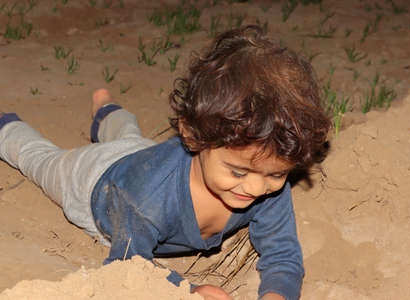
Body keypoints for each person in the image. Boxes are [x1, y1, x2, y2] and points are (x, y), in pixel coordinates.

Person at [0, 25, 330, 300]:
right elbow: (127, 265)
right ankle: (7, 126)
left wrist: (277, 295)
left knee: (130, 140)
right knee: (41, 160)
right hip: (93, 179)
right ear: (193, 137)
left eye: (276, 173)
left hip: (141, 156)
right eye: (238, 171)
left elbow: (283, 257)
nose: (258, 187)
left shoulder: (265, 177)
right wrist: (188, 289)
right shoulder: (146, 199)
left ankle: (106, 111)